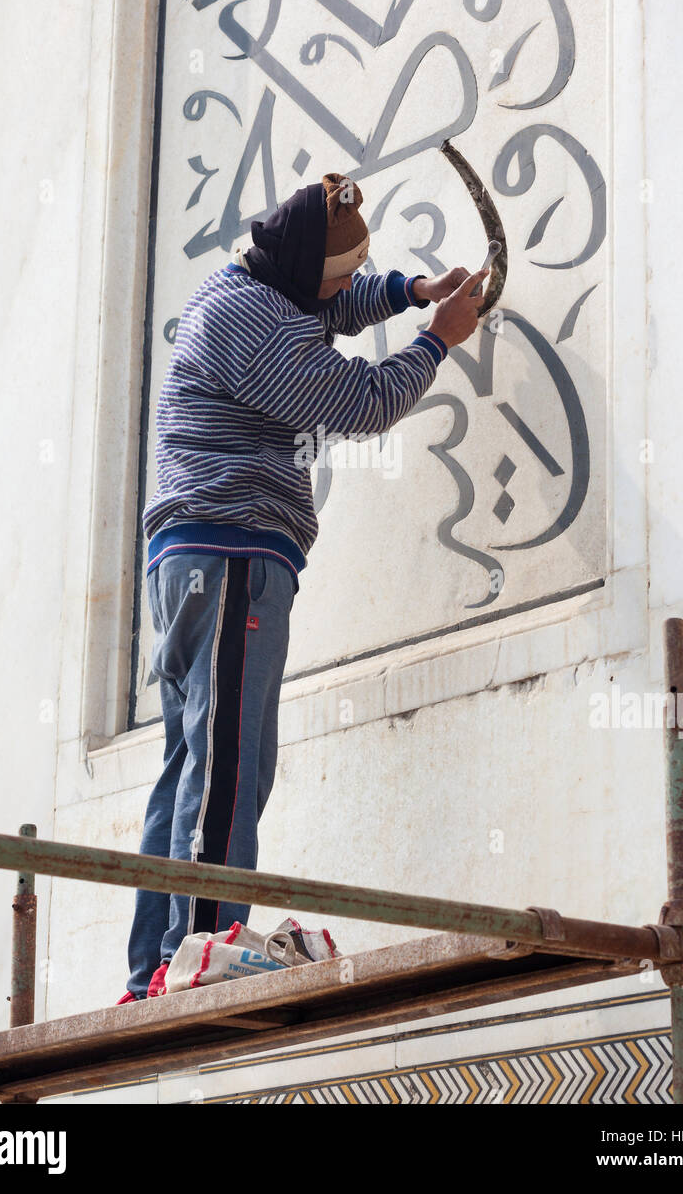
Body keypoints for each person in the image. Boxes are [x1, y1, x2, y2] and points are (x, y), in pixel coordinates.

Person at [117, 172, 488, 1001]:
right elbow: (362, 400)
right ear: (299, 268)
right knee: (228, 772)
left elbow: (337, 302)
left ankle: (151, 971)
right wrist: (439, 338)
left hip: (192, 556)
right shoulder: (259, 327)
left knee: (190, 765)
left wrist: (410, 290)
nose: (340, 291)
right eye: (334, 275)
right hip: (235, 553)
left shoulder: (249, 280)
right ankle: (199, 962)